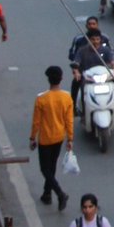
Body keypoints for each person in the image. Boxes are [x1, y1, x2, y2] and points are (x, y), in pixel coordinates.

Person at [30, 65, 73, 211]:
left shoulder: (41, 99)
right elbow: (69, 120)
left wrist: (32, 138)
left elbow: (36, 121)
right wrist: (70, 139)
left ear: (48, 79)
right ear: (61, 79)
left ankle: (60, 193)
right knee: (52, 166)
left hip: (45, 139)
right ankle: (46, 194)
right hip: (59, 137)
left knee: (44, 169)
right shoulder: (66, 97)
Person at [70, 29, 114, 106]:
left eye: (97, 39)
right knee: (76, 84)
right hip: (87, 76)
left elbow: (113, 62)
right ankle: (75, 106)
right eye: (93, 39)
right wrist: (76, 72)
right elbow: (76, 63)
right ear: (88, 40)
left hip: (103, 75)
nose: (95, 42)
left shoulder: (105, 50)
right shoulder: (82, 51)